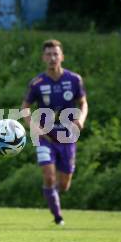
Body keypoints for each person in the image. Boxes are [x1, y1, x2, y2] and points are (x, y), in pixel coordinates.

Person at [21, 39, 88, 226]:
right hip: (46, 137)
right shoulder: (37, 83)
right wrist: (33, 126)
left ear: (62, 56)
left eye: (55, 54)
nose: (52, 58)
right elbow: (25, 108)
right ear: (43, 58)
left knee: (64, 184)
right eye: (49, 54)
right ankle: (58, 217)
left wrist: (80, 119)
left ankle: (52, 194)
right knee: (49, 175)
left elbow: (83, 103)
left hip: (67, 137)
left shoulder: (74, 80)